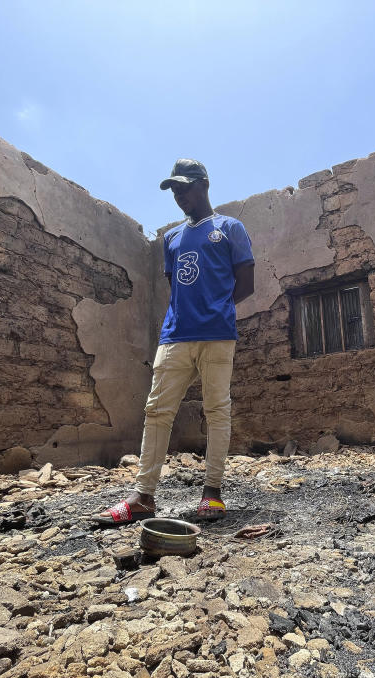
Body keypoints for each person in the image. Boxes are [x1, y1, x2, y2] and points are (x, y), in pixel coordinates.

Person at [94, 159, 255, 525]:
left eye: (185, 187)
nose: (180, 195)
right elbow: (178, 286)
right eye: (174, 190)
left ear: (204, 184)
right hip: (176, 335)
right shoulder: (171, 238)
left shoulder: (230, 228)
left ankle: (212, 492)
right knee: (157, 410)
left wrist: (217, 309)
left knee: (217, 410)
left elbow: (246, 285)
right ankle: (142, 497)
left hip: (217, 336)